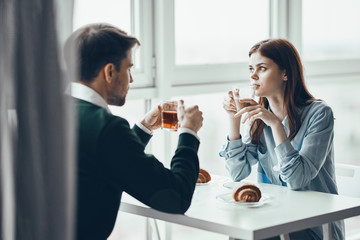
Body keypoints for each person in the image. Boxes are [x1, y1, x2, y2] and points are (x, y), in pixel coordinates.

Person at [64, 23, 203, 240]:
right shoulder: (107, 127)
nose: (131, 79)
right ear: (109, 72)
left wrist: (143, 128)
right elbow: (175, 198)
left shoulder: (48, 112)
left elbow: (103, 158)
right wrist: (189, 133)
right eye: (129, 68)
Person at [219, 39, 344, 240]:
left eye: (262, 68)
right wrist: (233, 118)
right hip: (275, 220)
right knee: (238, 235)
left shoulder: (320, 114)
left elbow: (296, 180)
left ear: (285, 73)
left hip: (315, 227)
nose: (253, 75)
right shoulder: (260, 117)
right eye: (251, 68)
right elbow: (237, 172)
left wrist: (275, 125)